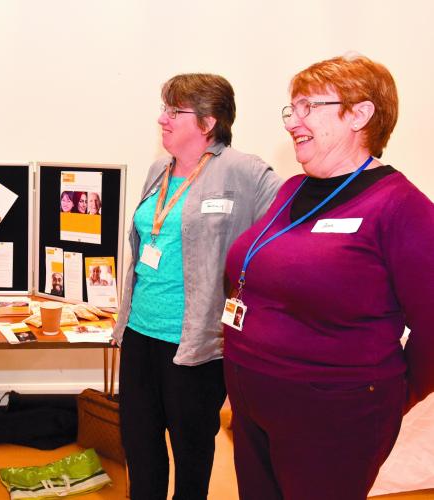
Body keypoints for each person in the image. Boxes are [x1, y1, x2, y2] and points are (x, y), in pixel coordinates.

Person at [223, 54, 434, 500]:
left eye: (308, 107)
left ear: (360, 114)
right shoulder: (292, 189)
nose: (291, 122)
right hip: (252, 395)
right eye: (292, 108)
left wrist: (394, 395)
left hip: (333, 413)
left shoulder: (402, 207)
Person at [111, 73, 282, 500]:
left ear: (208, 122)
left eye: (174, 111)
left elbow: (284, 236)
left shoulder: (244, 172)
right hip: (139, 334)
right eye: (164, 108)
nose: (162, 119)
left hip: (195, 347)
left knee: (191, 454)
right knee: (140, 447)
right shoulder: (159, 169)